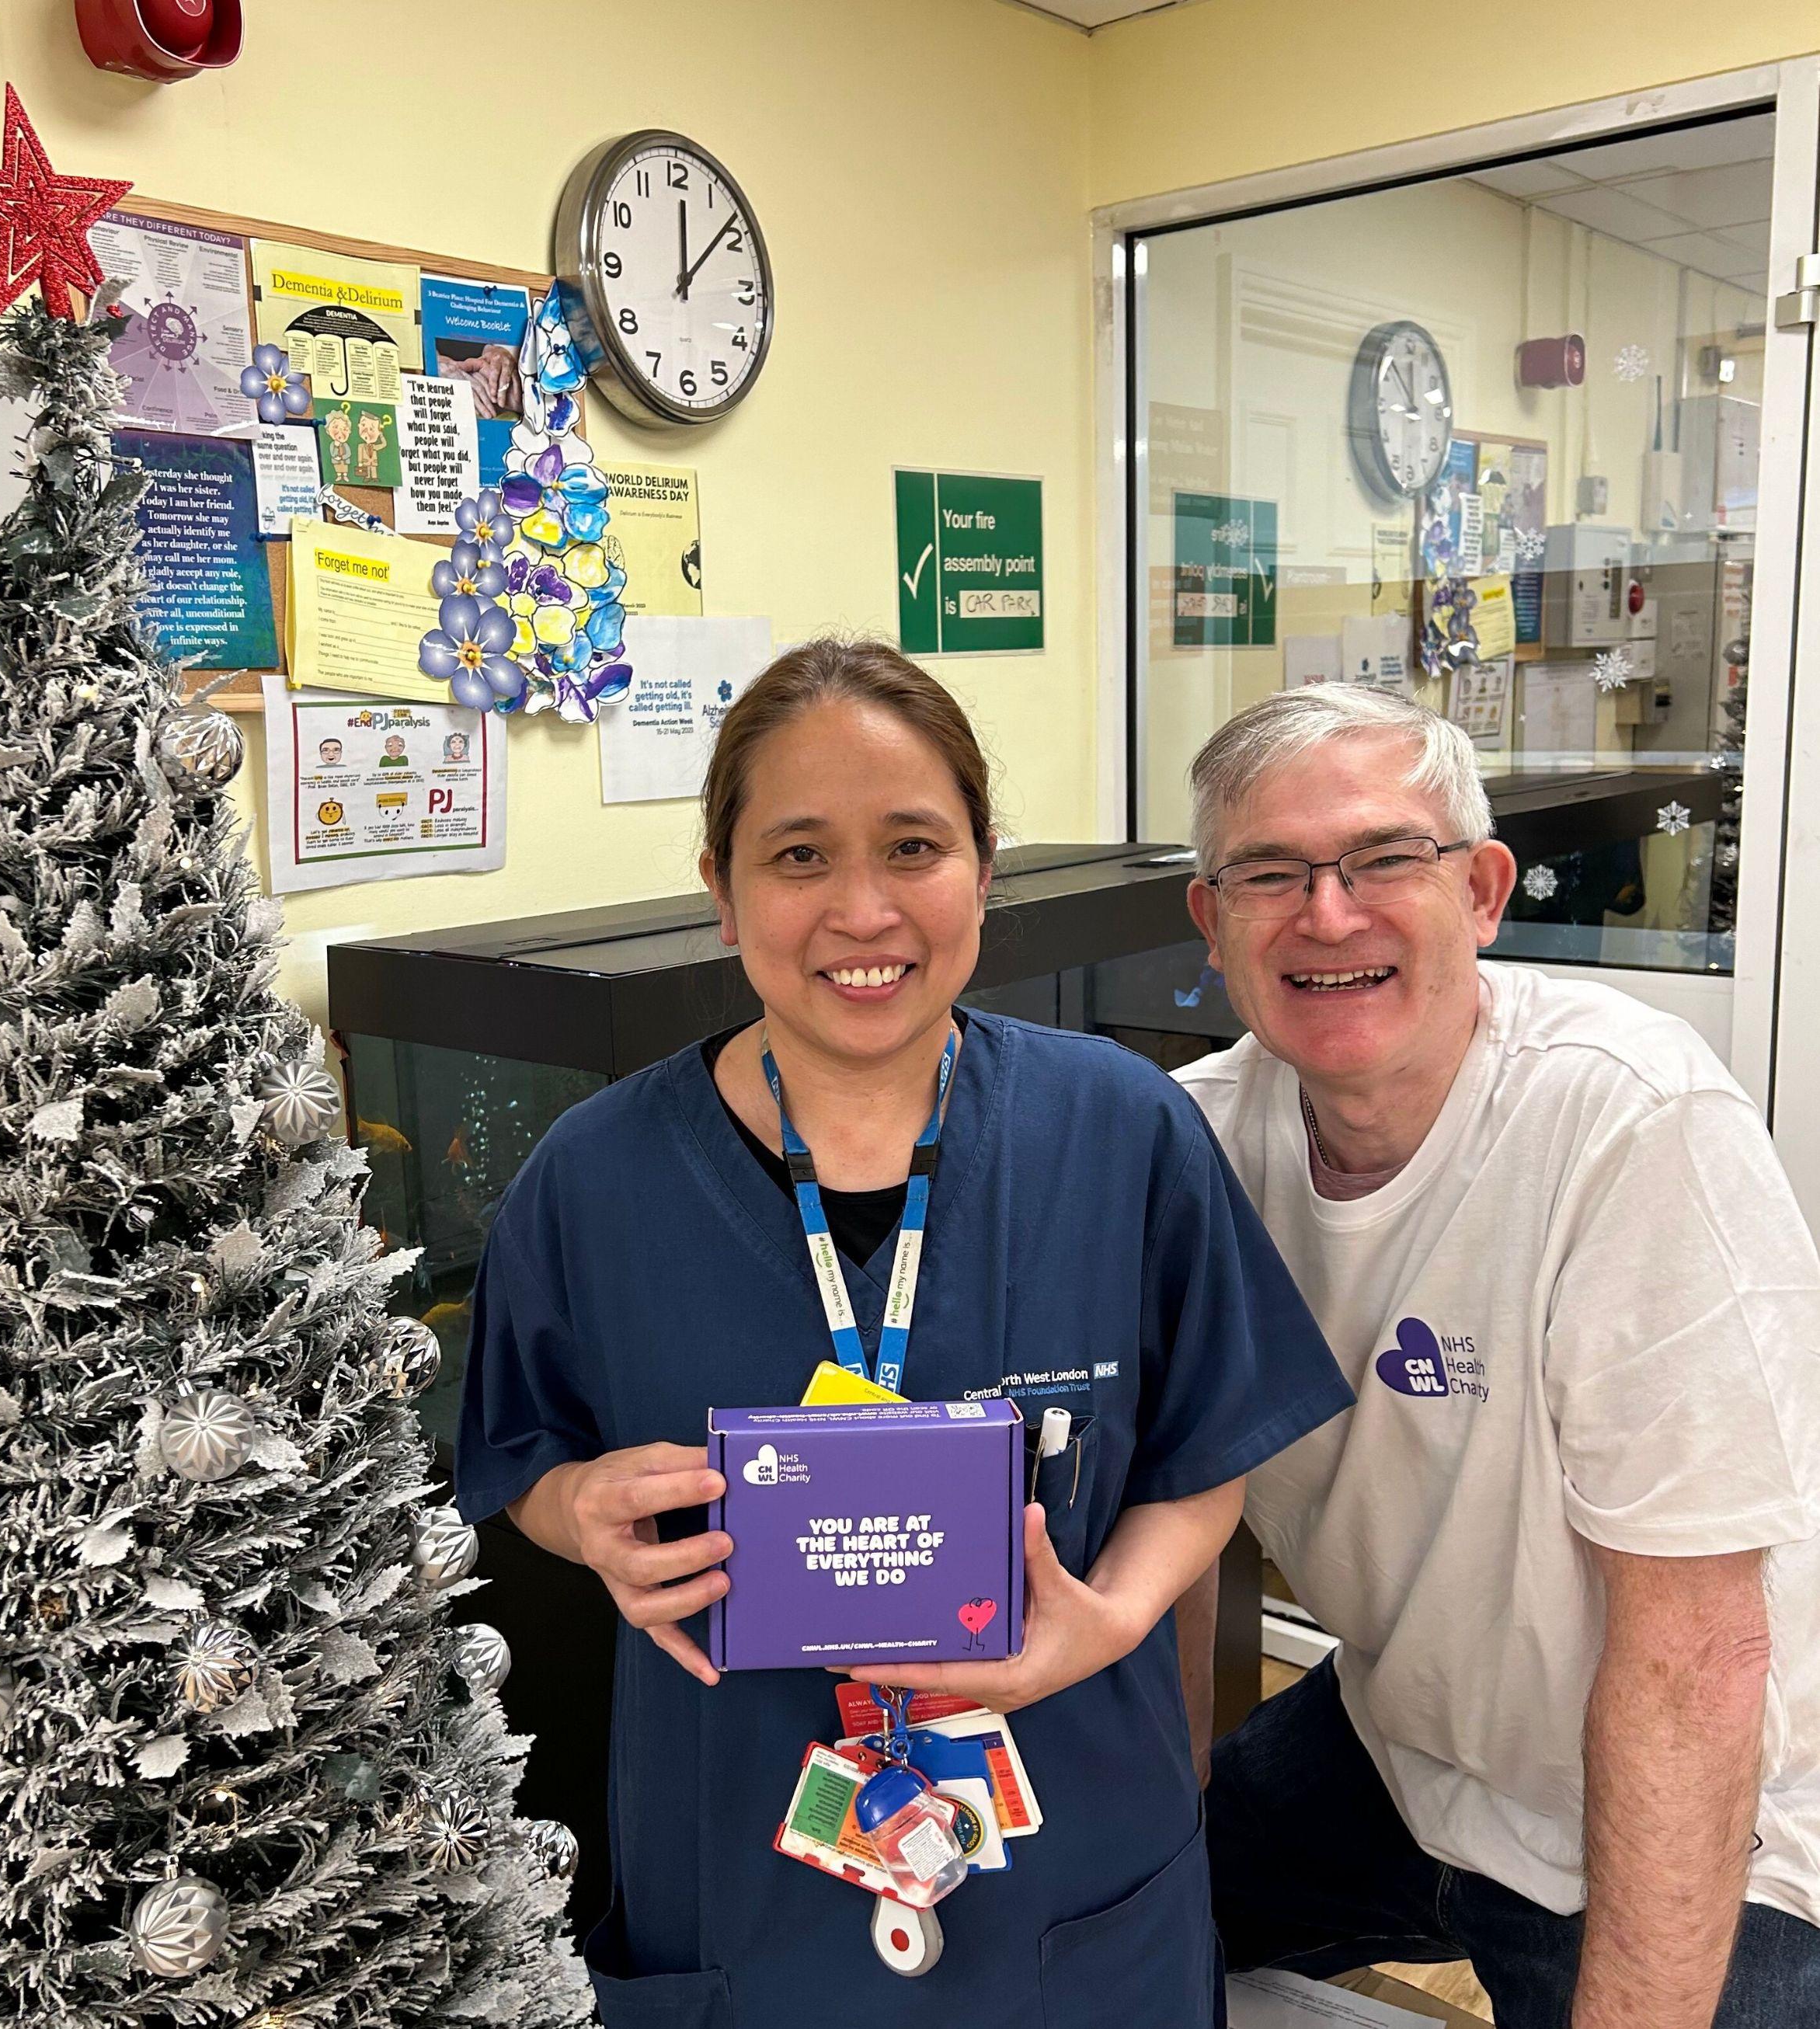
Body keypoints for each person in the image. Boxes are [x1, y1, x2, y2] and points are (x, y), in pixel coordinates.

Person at [454, 639, 1352, 2028]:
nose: (862, 910)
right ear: (721, 888)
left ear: (985, 869)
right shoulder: (594, 1178)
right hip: (735, 1854)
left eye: (914, 846)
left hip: (1072, 1845)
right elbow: (520, 1456)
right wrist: (587, 1511)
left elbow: (1204, 1449)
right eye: (798, 856)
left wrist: (1105, 1621)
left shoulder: (1122, 1131)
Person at [1171, 685, 1820, 2027]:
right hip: (1401, 1736)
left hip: (1719, 1796)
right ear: (1212, 922)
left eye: (1385, 859)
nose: (1329, 913)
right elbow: (1179, 1510)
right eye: (1271, 873)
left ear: (1482, 890)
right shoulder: (1196, 1147)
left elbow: (1695, 1654)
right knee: (1119, 1922)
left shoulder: (1630, 1122)